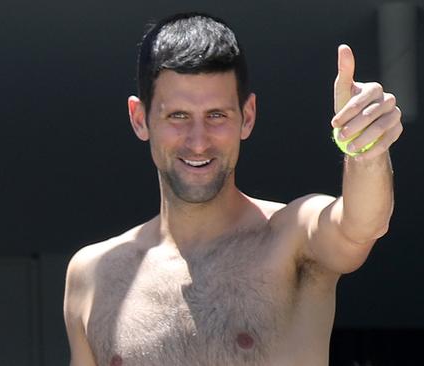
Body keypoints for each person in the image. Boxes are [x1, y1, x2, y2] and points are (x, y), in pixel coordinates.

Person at [63, 12, 403, 366]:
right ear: (140, 119)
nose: (198, 142)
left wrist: (366, 149)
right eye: (178, 116)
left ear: (248, 115)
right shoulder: (94, 274)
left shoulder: (290, 238)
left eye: (216, 115)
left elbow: (362, 223)